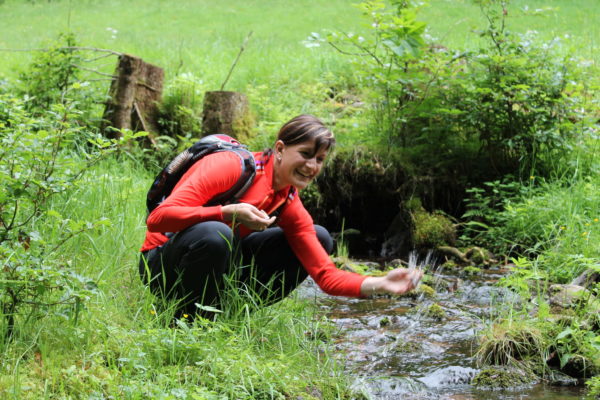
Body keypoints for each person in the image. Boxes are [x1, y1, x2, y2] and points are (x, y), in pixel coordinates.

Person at [139, 114, 422, 316]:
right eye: (306, 154)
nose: (312, 166)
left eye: (320, 160)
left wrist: (380, 284)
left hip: (220, 264)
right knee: (217, 233)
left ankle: (230, 313)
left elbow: (326, 276)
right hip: (162, 263)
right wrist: (226, 212)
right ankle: (182, 316)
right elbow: (159, 218)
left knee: (321, 237)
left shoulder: (287, 201)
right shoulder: (228, 166)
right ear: (280, 149)